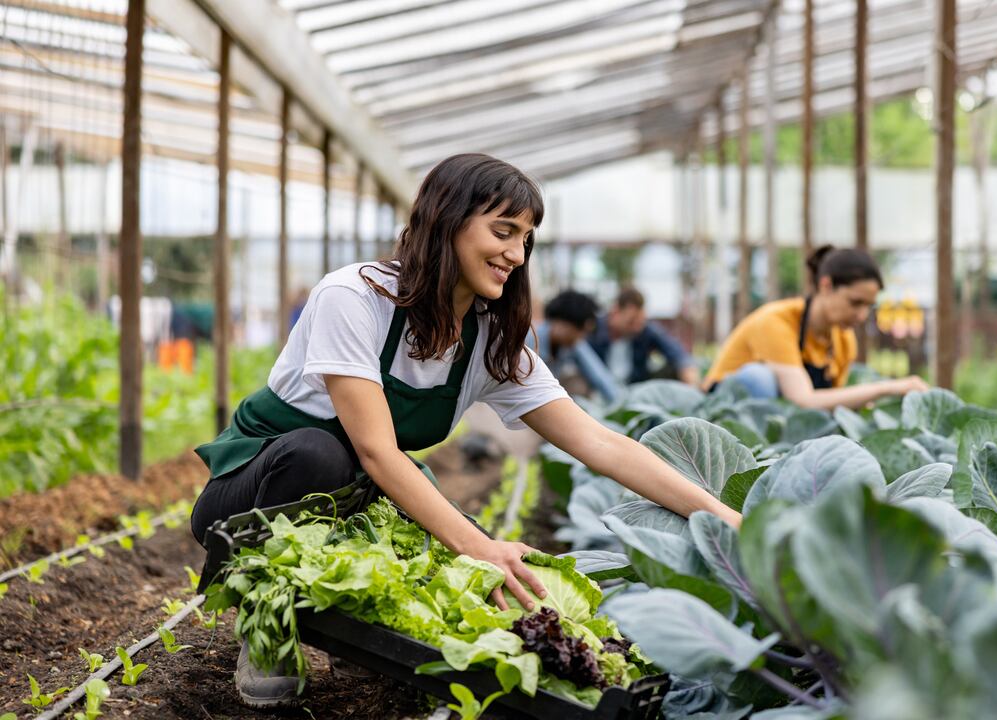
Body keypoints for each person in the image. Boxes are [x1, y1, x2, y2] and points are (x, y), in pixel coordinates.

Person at [189, 154, 740, 707]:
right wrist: (481, 546)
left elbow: (599, 444)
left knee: (464, 572)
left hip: (357, 504)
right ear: (446, 220)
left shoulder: (488, 340)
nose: (515, 254)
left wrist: (727, 519)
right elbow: (378, 453)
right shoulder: (354, 298)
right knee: (320, 454)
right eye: (502, 232)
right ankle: (266, 623)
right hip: (249, 502)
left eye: (526, 239)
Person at [703, 245, 928, 408]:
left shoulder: (843, 339)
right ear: (826, 285)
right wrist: (886, 388)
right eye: (855, 302)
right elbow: (804, 400)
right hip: (722, 415)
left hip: (779, 422)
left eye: (868, 306)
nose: (861, 315)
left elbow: (830, 404)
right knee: (758, 378)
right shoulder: (774, 321)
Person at [586, 287, 700, 388]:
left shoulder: (644, 331)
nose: (636, 328)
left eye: (640, 322)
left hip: (634, 393)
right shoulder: (592, 329)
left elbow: (677, 354)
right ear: (615, 311)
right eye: (631, 322)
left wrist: (691, 380)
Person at [527, 290, 621, 402]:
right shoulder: (528, 341)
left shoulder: (572, 344)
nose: (581, 337)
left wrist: (619, 404)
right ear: (562, 322)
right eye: (580, 331)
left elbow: (598, 374)